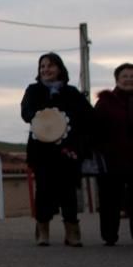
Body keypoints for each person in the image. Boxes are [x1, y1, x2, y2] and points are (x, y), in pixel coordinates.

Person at [20, 53, 93, 247]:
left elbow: (87, 116)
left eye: (50, 66)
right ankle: (42, 230)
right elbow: (25, 112)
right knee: (43, 189)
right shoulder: (33, 90)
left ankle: (72, 231)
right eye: (42, 66)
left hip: (67, 150)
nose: (45, 70)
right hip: (41, 150)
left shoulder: (71, 92)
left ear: (59, 69)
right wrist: (42, 117)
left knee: (68, 190)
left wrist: (67, 124)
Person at [93, 63, 133, 246]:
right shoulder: (106, 101)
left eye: (132, 76)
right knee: (110, 199)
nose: (129, 79)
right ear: (117, 79)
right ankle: (109, 236)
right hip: (111, 158)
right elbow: (94, 128)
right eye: (125, 76)